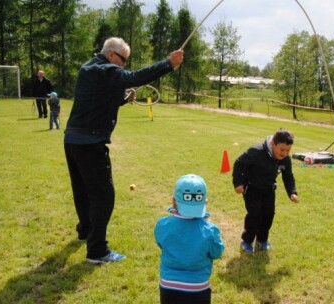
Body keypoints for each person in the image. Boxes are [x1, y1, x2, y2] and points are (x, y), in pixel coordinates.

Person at [64, 37, 184, 264]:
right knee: (103, 196)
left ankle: (85, 231)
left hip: (73, 139)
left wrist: (122, 97)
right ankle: (97, 251)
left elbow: (98, 99)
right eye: (123, 60)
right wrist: (168, 63)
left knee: (82, 190)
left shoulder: (89, 68)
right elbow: (134, 77)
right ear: (111, 54)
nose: (123, 65)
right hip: (90, 142)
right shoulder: (105, 69)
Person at [155, 174, 225, 304]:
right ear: (205, 203)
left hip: (168, 286)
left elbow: (161, 243)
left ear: (174, 201)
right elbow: (217, 253)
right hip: (198, 287)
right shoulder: (209, 230)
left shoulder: (162, 225)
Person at [232, 129, 299, 253]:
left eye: (288, 150)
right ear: (273, 144)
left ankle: (262, 240)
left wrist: (292, 192)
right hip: (251, 188)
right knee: (255, 214)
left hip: (268, 188)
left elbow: (288, 176)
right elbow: (238, 163)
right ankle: (247, 241)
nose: (285, 153)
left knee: (268, 214)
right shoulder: (256, 152)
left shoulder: (285, 159)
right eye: (282, 149)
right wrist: (238, 183)